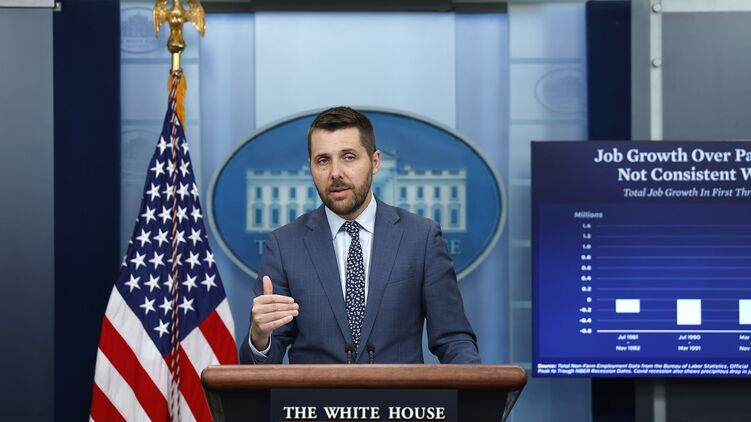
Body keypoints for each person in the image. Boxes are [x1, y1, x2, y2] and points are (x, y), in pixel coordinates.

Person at [239, 106, 480, 364]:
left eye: (349, 157)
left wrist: (476, 385)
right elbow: (263, 362)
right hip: (315, 392)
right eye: (323, 160)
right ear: (311, 167)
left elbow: (453, 340)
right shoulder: (284, 246)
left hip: (400, 392)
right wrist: (260, 337)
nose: (335, 173)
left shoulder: (421, 238)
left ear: (375, 162)